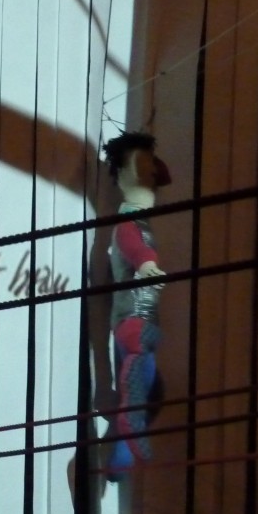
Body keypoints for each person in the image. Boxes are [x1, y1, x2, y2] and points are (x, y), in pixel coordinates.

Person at [102, 132, 171, 479]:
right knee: (141, 391)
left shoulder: (137, 217)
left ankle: (119, 462)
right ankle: (124, 441)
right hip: (135, 320)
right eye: (141, 167)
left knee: (148, 393)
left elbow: (165, 176)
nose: (152, 175)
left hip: (139, 319)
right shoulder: (129, 221)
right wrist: (146, 264)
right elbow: (134, 245)